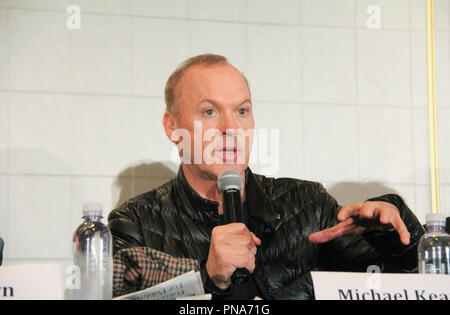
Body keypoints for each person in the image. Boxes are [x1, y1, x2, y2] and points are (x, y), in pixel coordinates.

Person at [108, 54, 425, 300]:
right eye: (209, 112)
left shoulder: (308, 204)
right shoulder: (133, 223)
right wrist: (207, 278)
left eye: (242, 111)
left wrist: (392, 238)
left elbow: (402, 286)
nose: (230, 129)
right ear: (171, 126)